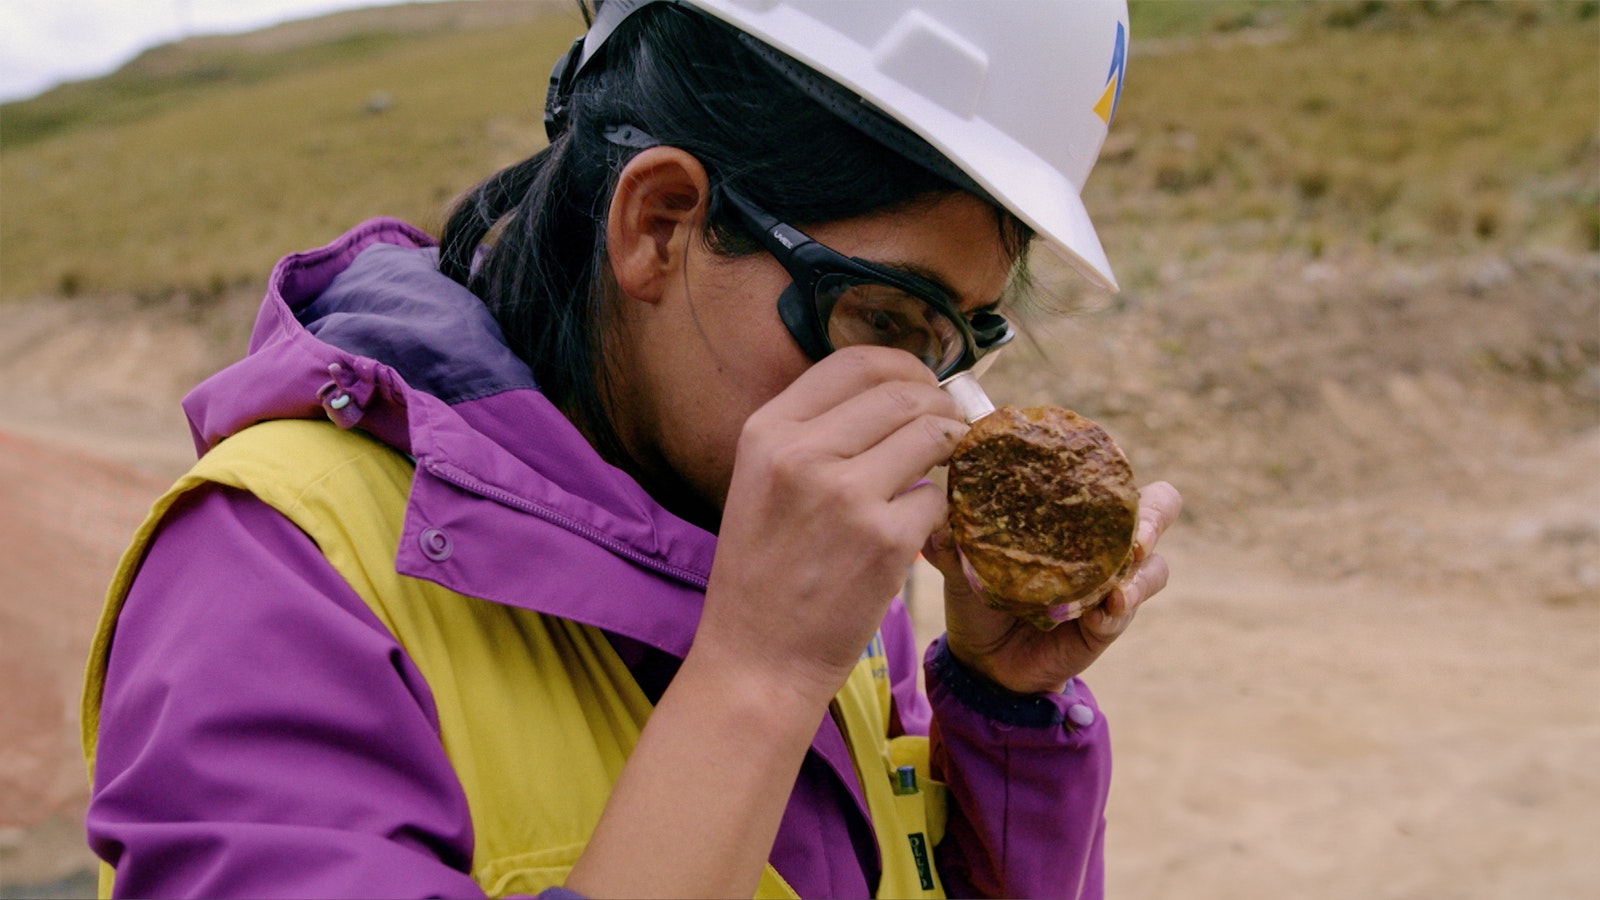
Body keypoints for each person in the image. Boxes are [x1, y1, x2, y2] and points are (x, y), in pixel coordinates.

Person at [81, 1, 1181, 897]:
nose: (928, 414)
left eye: (958, 341)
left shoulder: (816, 553)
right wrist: (756, 676)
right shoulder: (276, 576)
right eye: (884, 320)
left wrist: (1000, 708)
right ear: (658, 223)